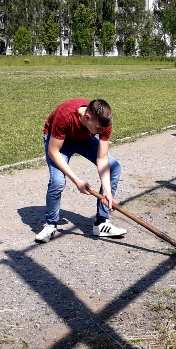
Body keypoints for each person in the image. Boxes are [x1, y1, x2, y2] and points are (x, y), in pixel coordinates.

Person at [35, 98, 126, 243]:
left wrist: (107, 191)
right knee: (57, 182)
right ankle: (51, 225)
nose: (101, 132)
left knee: (114, 168)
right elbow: (54, 152)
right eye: (98, 129)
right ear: (87, 117)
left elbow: (102, 159)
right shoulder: (65, 115)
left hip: (84, 139)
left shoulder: (103, 123)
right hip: (58, 141)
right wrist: (77, 181)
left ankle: (102, 223)